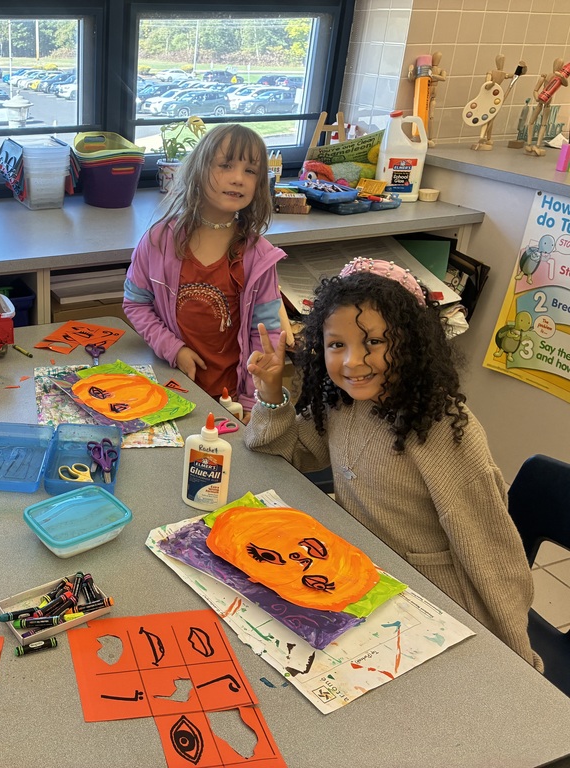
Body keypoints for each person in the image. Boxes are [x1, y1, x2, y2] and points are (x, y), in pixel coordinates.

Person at [244, 258, 541, 670]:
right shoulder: (342, 400)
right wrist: (273, 395)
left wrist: (515, 661)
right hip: (361, 579)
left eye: (374, 343)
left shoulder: (445, 432)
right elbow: (289, 452)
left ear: (412, 340)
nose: (352, 362)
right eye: (337, 345)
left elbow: (490, 556)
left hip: (434, 603)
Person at [123, 123, 285, 415]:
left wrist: (250, 403)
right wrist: (173, 349)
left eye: (250, 171)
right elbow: (136, 304)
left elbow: (266, 336)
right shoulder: (158, 241)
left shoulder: (259, 256)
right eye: (225, 165)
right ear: (198, 170)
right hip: (170, 387)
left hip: (231, 399)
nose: (238, 178)